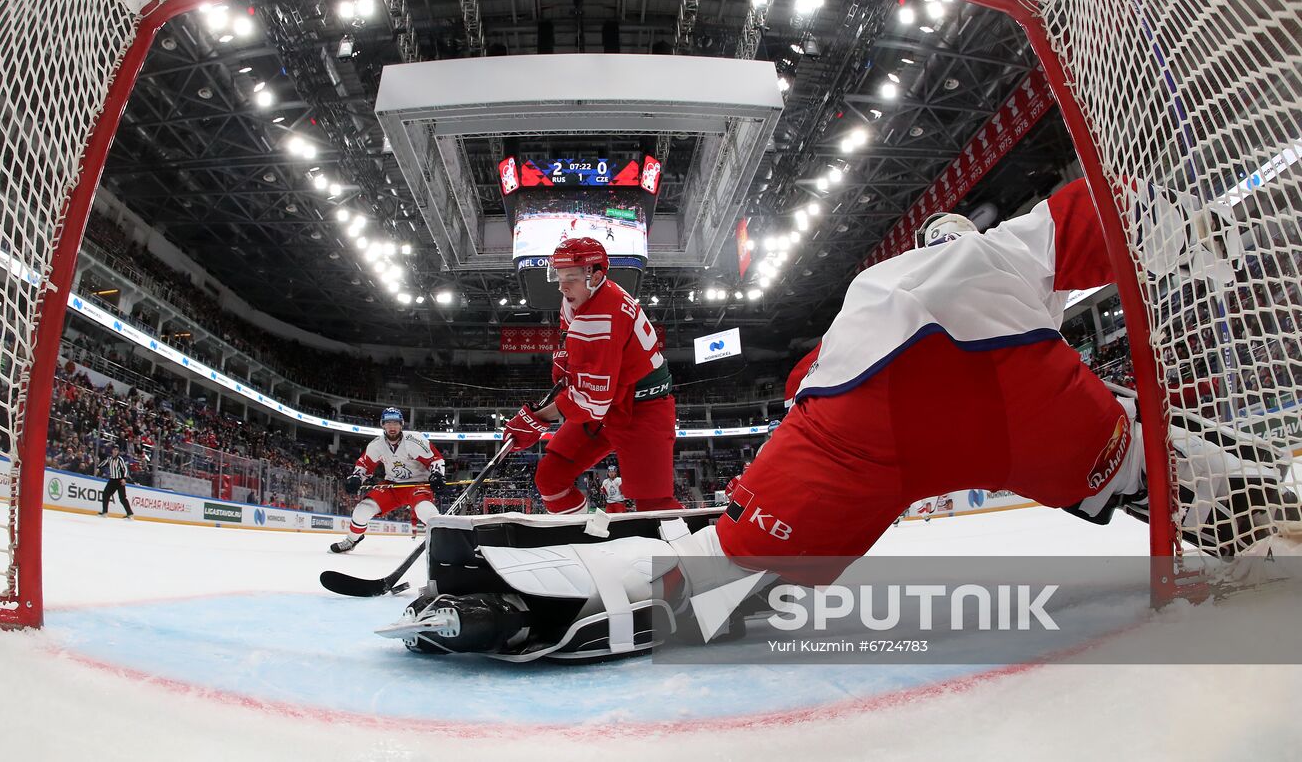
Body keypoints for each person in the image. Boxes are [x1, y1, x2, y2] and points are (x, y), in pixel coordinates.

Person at [386, 179, 1284, 658]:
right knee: (1134, 467)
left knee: (722, 568)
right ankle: (1217, 488)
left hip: (860, 418)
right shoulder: (991, 247)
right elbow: (1098, 215)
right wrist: (1196, 234)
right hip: (1025, 395)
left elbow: (803, 391)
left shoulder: (880, 286)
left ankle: (535, 599)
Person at [502, 237, 682, 514]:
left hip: (644, 409)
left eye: (570, 278)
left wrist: (536, 418)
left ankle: (688, 556)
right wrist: (564, 359)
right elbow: (566, 326)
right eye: (559, 276)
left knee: (655, 506)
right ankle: (582, 540)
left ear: (595, 275)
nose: (562, 286)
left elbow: (589, 403)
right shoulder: (582, 294)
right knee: (551, 478)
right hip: (612, 402)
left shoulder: (599, 320)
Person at [330, 408, 444, 554]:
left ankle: (441, 544)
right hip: (392, 485)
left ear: (402, 424)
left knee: (426, 511)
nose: (392, 426)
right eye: (388, 422)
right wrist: (356, 477)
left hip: (418, 485)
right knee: (362, 510)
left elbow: (435, 459)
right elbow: (364, 465)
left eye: (395, 423)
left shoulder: (415, 440)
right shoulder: (376, 445)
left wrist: (437, 474)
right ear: (382, 425)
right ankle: (351, 540)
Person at [97, 446, 133, 520]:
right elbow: (102, 464)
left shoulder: (120, 459)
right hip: (112, 480)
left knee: (122, 498)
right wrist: (98, 467)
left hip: (119, 480)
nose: (115, 451)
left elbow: (125, 469)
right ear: (112, 450)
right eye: (114, 450)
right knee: (105, 494)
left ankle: (130, 514)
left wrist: (124, 478)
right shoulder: (109, 458)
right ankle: (105, 512)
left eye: (117, 450)